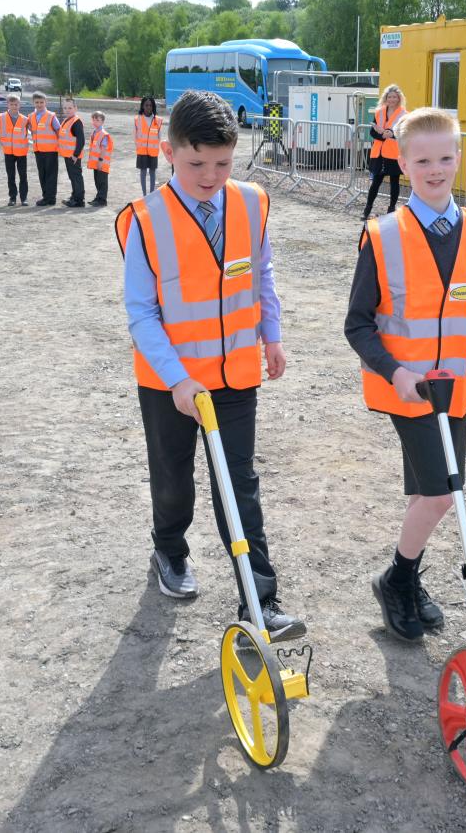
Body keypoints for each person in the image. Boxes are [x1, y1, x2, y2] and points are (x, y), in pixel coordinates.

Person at [115, 90, 304, 641]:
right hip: (169, 383)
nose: (210, 175)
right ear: (171, 151)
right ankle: (169, 552)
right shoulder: (143, 221)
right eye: (196, 162)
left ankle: (259, 601)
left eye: (222, 163)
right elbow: (141, 312)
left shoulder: (251, 203)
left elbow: (262, 274)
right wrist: (177, 379)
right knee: (174, 480)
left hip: (235, 374)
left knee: (238, 484)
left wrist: (272, 334)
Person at [344, 106, 466, 642]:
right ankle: (398, 578)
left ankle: (399, 578)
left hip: (458, 391)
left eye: (445, 157)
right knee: (444, 495)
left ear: (459, 158)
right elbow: (357, 324)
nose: (435, 168)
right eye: (423, 159)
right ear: (402, 160)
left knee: (431, 492)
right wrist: (393, 371)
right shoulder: (383, 235)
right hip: (408, 390)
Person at [362, 85, 407, 221]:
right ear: (385, 98)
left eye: (394, 97)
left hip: (393, 153)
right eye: (389, 97)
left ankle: (391, 209)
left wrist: (392, 134)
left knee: (394, 181)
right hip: (379, 153)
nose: (392, 99)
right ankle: (367, 210)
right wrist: (382, 134)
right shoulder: (379, 112)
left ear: (399, 98)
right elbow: (372, 132)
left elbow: (405, 134)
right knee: (376, 182)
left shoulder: (404, 114)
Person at [28, 91, 61, 206]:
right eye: (37, 102)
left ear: (46, 102)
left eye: (41, 102)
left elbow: (58, 131)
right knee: (42, 174)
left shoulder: (51, 116)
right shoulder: (31, 117)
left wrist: (60, 146)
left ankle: (50, 198)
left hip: (51, 151)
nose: (39, 104)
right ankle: (46, 196)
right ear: (33, 103)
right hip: (38, 150)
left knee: (51, 175)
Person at [0, 94, 31, 206]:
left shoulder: (25, 119)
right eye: (11, 104)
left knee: (23, 176)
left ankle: (24, 198)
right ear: (7, 104)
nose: (14, 106)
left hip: (21, 152)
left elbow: (34, 131)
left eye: (16, 104)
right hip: (8, 152)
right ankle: (12, 198)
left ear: (19, 105)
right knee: (10, 176)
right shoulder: (1, 117)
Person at [57, 97, 86, 208]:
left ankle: (79, 200)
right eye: (65, 108)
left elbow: (81, 140)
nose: (67, 110)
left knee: (76, 177)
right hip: (68, 155)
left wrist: (75, 155)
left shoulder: (76, 122)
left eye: (70, 108)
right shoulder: (66, 120)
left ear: (75, 108)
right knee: (72, 177)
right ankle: (74, 196)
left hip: (73, 156)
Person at [134, 96, 162, 195]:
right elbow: (135, 135)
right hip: (142, 150)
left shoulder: (158, 120)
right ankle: (144, 194)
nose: (148, 107)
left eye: (150, 105)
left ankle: (151, 193)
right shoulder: (137, 119)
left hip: (153, 151)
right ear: (142, 106)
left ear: (153, 106)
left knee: (152, 172)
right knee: (143, 172)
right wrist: (138, 146)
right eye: (146, 105)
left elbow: (159, 136)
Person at [86, 110, 112, 207]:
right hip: (96, 163)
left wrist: (100, 161)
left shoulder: (103, 134)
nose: (94, 121)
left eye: (97, 120)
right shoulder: (95, 133)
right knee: (97, 181)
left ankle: (102, 200)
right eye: (93, 119)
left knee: (102, 182)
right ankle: (98, 197)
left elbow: (103, 149)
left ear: (102, 122)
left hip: (102, 163)